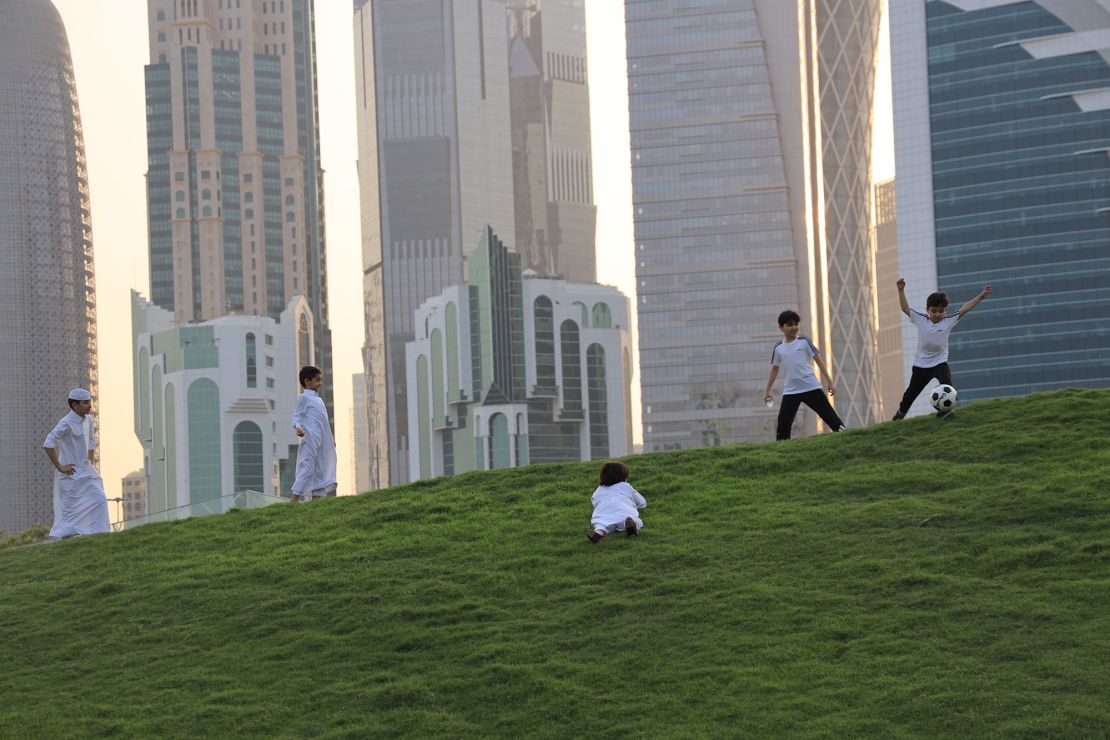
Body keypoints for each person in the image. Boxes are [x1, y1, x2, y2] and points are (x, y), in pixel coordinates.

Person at [893, 279, 992, 420]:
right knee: (911, 393)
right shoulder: (920, 319)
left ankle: (944, 412)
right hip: (921, 365)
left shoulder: (949, 321)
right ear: (927, 310)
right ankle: (900, 414)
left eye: (941, 311)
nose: (937, 314)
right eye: (934, 311)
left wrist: (981, 296)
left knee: (947, 385)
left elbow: (965, 308)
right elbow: (905, 308)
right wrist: (901, 290)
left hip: (940, 362)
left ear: (946, 311)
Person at [763, 310, 847, 441]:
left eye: (796, 324)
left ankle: (846, 436)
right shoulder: (778, 348)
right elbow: (774, 369)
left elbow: (819, 361)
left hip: (811, 387)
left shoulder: (804, 342)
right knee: (783, 423)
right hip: (791, 391)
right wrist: (767, 391)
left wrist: (830, 382)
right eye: (790, 324)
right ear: (781, 327)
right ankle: (782, 449)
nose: (794, 327)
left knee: (830, 416)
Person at [42, 388, 110, 539]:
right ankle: (65, 541)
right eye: (85, 403)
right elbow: (48, 443)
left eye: (89, 402)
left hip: (86, 471)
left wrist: (88, 461)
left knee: (99, 498)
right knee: (68, 513)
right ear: (74, 405)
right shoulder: (65, 423)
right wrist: (59, 466)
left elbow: (92, 440)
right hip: (70, 474)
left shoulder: (89, 420)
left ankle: (100, 534)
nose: (89, 405)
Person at [290, 365, 337, 502]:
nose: (320, 383)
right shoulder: (304, 398)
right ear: (307, 381)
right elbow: (296, 417)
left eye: (320, 380)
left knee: (321, 469)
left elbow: (324, 423)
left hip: (322, 441)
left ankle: (317, 502)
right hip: (310, 439)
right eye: (317, 380)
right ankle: (294, 499)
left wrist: (330, 439)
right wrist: (299, 428)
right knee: (307, 467)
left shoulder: (319, 400)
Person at [586, 460, 646, 543]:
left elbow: (594, 501)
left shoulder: (599, 490)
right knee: (633, 520)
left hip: (603, 514)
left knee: (601, 525)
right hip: (624, 512)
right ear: (623, 477)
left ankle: (598, 533)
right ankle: (630, 528)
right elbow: (642, 503)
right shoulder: (625, 486)